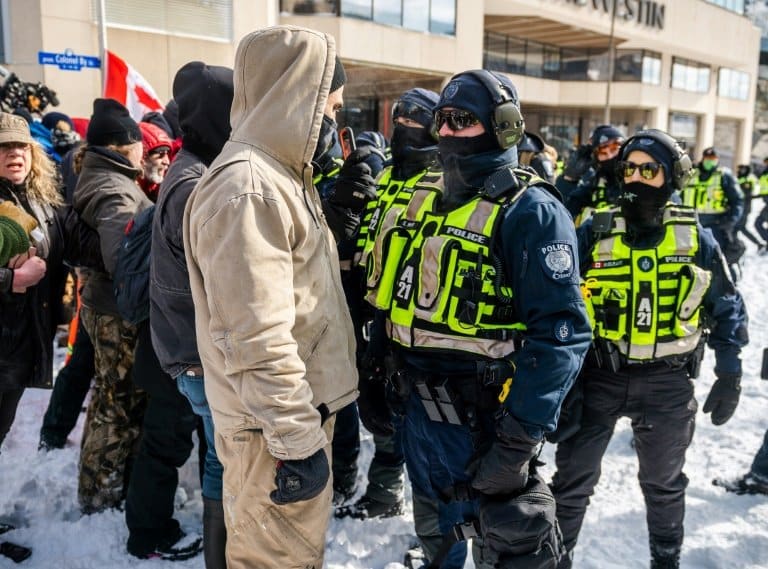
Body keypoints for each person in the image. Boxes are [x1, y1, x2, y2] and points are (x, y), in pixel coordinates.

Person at [359, 69, 592, 569]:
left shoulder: (530, 210)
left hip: (484, 420)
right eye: (441, 120)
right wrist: (373, 370)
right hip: (415, 409)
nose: (444, 131)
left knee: (507, 545)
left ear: (504, 127)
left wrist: (518, 438)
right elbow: (387, 295)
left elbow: (561, 335)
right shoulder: (421, 196)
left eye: (461, 121)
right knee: (434, 529)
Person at [183, 26, 358, 568]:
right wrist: (295, 440)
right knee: (275, 560)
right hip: (273, 433)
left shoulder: (281, 178)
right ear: (297, 99)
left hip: (286, 420)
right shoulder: (248, 188)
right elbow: (254, 335)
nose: (333, 121)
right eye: (330, 107)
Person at [550, 129, 749, 569]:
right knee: (572, 480)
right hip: (598, 377)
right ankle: (556, 559)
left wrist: (730, 370)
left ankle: (666, 559)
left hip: (667, 382)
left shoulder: (695, 236)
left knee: (663, 483)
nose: (637, 177)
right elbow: (557, 302)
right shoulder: (595, 230)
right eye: (630, 168)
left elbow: (728, 306)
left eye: (649, 168)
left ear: (671, 175)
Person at [337, 88, 442, 521]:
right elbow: (365, 240)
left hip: (417, 322)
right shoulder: (385, 179)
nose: (404, 128)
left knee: (419, 426)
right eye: (399, 119)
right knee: (381, 411)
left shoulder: (442, 183)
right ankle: (384, 493)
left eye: (416, 120)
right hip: (374, 313)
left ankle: (434, 520)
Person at [149, 60, 234, 569]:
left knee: (218, 456)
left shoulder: (191, 170)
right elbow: (219, 280)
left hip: (192, 350)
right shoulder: (193, 183)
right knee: (224, 461)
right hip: (198, 354)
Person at [0, 112, 99, 450]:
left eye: (21, 146)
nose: (15, 153)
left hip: (18, 347)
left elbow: (78, 240)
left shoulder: (43, 200)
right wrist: (11, 278)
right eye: (4, 147)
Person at [73, 98, 152, 514]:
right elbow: (122, 256)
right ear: (128, 144)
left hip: (106, 305)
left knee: (109, 398)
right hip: (116, 312)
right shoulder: (113, 188)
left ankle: (99, 488)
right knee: (116, 403)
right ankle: (99, 496)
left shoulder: (104, 175)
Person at [681, 147, 744, 277]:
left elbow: (737, 201)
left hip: (715, 225)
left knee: (719, 259)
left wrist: (730, 221)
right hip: (690, 223)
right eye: (708, 159)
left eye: (713, 159)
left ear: (717, 160)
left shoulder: (724, 176)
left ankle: (728, 285)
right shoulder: (691, 174)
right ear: (703, 159)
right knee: (691, 259)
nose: (710, 162)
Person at [564, 124, 625, 225]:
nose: (610, 156)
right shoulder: (595, 184)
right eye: (603, 152)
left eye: (614, 147)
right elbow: (563, 212)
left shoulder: (637, 178)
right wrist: (569, 179)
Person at [137, 121, 172, 201]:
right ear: (142, 157)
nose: (167, 162)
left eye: (167, 154)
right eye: (160, 155)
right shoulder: (128, 189)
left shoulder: (160, 189)